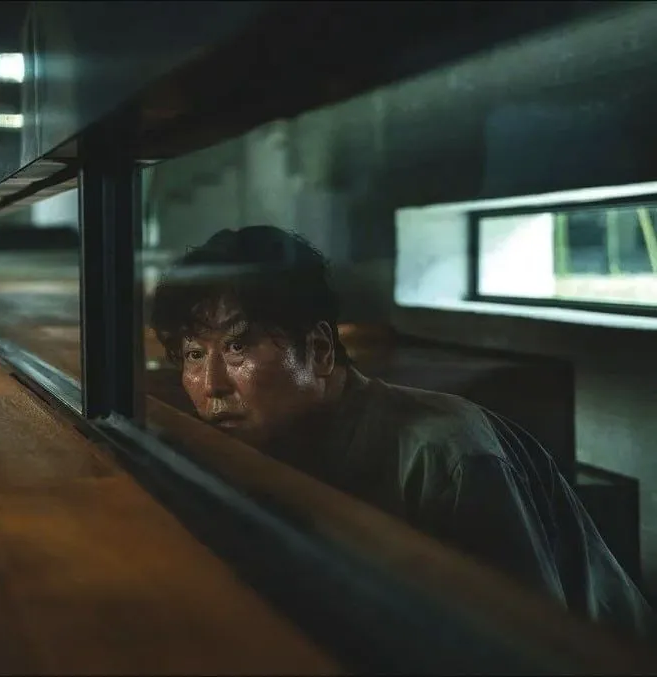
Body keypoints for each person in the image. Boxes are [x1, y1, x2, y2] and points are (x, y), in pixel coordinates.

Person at [149, 225, 654, 640]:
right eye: (193, 354)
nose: (211, 384)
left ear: (319, 350)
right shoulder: (255, 450)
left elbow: (523, 652)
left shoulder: (448, 456)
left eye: (238, 347)